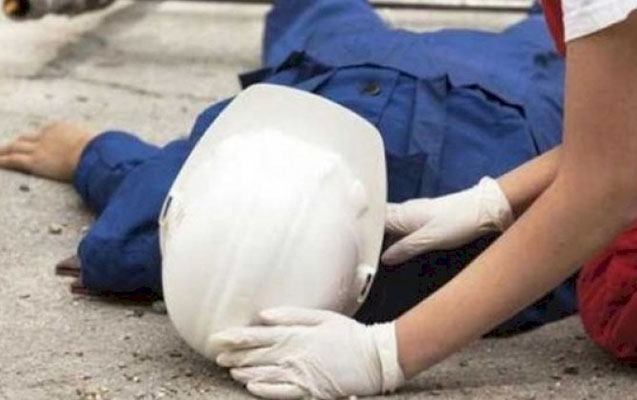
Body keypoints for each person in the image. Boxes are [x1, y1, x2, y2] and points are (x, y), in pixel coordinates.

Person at [0, 0, 592, 398]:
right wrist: (87, 151)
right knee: (577, 31)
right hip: (378, 79)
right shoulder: (154, 237)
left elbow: (584, 232)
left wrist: (87, 152)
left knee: (568, 33)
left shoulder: (474, 276)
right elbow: (599, 199)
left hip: (351, 70)